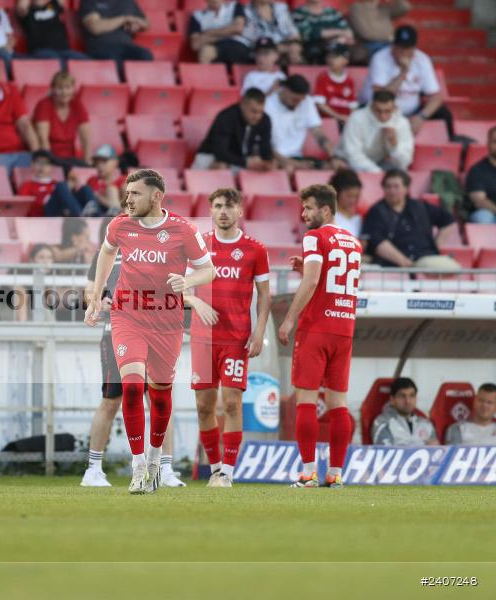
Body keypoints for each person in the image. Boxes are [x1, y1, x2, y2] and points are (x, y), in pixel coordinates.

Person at [85, 169, 214, 494]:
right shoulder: (120, 225)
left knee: (159, 396)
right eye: (127, 193)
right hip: (128, 316)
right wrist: (99, 296)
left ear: (156, 197)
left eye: (135, 194)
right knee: (130, 388)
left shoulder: (183, 230)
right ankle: (138, 465)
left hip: (167, 322)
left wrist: (188, 282)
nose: (128, 199)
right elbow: (105, 253)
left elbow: (208, 270)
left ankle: (156, 459)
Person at [80, 217, 187, 488]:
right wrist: (98, 301)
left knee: (159, 398)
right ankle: (93, 468)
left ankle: (165, 468)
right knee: (112, 399)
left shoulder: (154, 253)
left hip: (157, 329)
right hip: (116, 331)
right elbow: (89, 290)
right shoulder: (105, 254)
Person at [277, 183, 361, 488]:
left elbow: (312, 283)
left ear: (325, 209)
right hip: (344, 329)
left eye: (309, 208)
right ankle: (336, 474)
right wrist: (307, 271)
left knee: (306, 401)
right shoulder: (353, 241)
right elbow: (328, 278)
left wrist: (288, 319)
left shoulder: (314, 237)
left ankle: (309, 472)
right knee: (339, 404)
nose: (303, 214)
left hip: (316, 329)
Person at [186, 188, 271, 488]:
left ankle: (229, 473)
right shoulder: (197, 247)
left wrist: (259, 331)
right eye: (218, 206)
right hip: (202, 338)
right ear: (210, 211)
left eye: (229, 206)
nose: (223, 211)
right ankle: (215, 468)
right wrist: (196, 301)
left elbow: (264, 296)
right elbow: (181, 287)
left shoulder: (255, 250)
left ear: (240, 212)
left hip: (236, 339)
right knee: (204, 406)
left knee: (232, 403)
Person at [363, 25, 453, 138]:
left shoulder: (422, 59)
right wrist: (403, 72)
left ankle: (452, 148)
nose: (403, 52)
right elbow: (381, 97)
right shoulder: (380, 58)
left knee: (443, 113)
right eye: (400, 47)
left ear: (414, 47)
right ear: (393, 45)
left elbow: (436, 97)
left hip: (412, 112)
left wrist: (421, 116)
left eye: (408, 48)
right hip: (383, 110)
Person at [362, 169, 461, 269]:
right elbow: (378, 242)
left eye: (396, 187)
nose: (392, 191)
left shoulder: (419, 206)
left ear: (406, 188)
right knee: (451, 269)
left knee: (454, 268)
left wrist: (435, 246)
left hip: (425, 256)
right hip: (394, 264)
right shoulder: (376, 211)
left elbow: (448, 220)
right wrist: (406, 263)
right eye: (388, 187)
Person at [264, 75, 336, 171]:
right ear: (285, 90)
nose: (298, 104)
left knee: (334, 168)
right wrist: (294, 164)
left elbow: (318, 133)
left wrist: (333, 157)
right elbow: (265, 146)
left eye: (301, 101)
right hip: (275, 158)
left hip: (297, 157)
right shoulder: (267, 106)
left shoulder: (307, 102)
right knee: (288, 169)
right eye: (295, 100)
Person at [193, 88, 274, 171]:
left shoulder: (264, 120)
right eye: (253, 111)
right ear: (242, 105)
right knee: (221, 166)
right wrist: (246, 162)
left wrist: (267, 162)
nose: (257, 116)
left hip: (239, 160)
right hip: (210, 155)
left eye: (260, 112)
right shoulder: (226, 117)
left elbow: (265, 149)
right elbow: (220, 152)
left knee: (269, 168)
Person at [338, 89, 413, 173]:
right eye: (378, 111)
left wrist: (394, 145)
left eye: (387, 111)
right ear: (372, 106)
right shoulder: (356, 118)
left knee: (400, 176)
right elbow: (352, 154)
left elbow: (404, 163)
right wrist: (377, 173)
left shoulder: (402, 123)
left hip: (382, 164)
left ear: (394, 108)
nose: (382, 116)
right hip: (352, 165)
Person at [32, 70, 91, 167]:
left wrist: (87, 161)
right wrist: (49, 163)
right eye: (60, 88)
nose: (64, 92)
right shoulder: (44, 105)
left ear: (73, 89)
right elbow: (43, 139)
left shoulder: (77, 104)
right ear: (52, 89)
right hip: (52, 158)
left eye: (68, 88)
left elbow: (86, 138)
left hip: (70, 158)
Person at [19, 150, 97, 217]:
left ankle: (99, 218)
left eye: (46, 163)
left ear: (51, 167)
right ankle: (80, 216)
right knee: (61, 186)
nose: (41, 166)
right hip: (44, 213)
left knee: (85, 189)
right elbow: (23, 208)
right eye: (38, 162)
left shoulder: (55, 183)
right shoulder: (27, 185)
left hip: (64, 212)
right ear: (32, 165)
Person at [80, 0, 153, 65]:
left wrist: (136, 23)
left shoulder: (128, 1)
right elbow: (95, 27)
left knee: (145, 55)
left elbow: (146, 23)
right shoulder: (89, 1)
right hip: (101, 47)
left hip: (127, 46)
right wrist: (124, 19)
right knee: (115, 62)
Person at [16, 0, 88, 65]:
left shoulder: (51, 6)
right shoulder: (28, 12)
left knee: (84, 61)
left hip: (63, 50)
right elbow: (22, 6)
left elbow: (60, 2)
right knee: (57, 62)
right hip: (41, 51)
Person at [371, 378, 438, 446]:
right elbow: (387, 452)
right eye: (402, 396)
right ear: (392, 400)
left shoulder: (426, 424)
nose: (408, 401)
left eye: (412, 395)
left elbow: (437, 452)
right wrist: (423, 444)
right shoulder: (383, 422)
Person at [237, 0, 302, 66]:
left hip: (285, 48)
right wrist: (278, 48)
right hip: (263, 49)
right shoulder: (246, 10)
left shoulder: (280, 8)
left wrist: (295, 45)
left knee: (297, 51)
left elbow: (292, 32)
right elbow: (252, 39)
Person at [187, 0, 249, 65]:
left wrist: (209, 33)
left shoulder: (234, 6)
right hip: (214, 47)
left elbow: (238, 28)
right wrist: (228, 32)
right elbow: (195, 44)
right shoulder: (197, 16)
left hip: (237, 45)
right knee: (205, 52)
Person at [292, 0, 353, 65]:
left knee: (340, 49)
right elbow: (309, 34)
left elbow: (348, 33)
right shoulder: (299, 13)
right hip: (310, 48)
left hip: (333, 47)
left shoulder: (332, 12)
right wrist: (338, 32)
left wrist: (338, 39)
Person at [313, 43, 357, 125]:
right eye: (329, 56)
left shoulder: (349, 80)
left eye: (335, 57)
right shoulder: (322, 77)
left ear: (346, 60)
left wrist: (351, 119)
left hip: (346, 121)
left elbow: (352, 106)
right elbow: (320, 104)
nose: (331, 59)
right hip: (327, 122)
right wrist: (338, 117)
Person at [81, 144, 125, 216]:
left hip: (117, 218)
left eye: (104, 161)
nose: (100, 166)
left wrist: (98, 196)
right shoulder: (92, 180)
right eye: (97, 162)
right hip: (97, 215)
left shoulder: (122, 181)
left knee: (111, 190)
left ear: (115, 162)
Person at [465, 126, 496, 224]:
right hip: (490, 213)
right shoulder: (477, 170)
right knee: (483, 217)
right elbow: (479, 201)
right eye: (495, 141)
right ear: (488, 144)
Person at [329, 169, 363, 237]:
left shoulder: (357, 219)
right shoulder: (327, 218)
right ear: (336, 193)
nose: (353, 200)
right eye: (349, 196)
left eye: (356, 196)